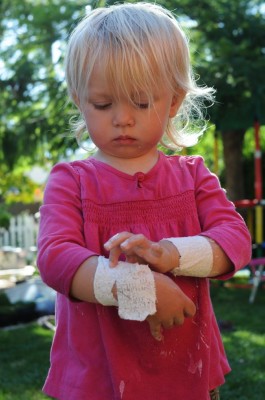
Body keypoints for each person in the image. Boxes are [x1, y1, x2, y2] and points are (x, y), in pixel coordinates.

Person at [37, 3, 252, 400]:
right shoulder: (71, 182)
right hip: (98, 379)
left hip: (188, 371)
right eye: (103, 104)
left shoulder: (191, 175)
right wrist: (139, 288)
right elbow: (55, 258)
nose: (122, 118)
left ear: (173, 101)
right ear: (79, 99)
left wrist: (170, 254)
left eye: (140, 102)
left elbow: (235, 242)